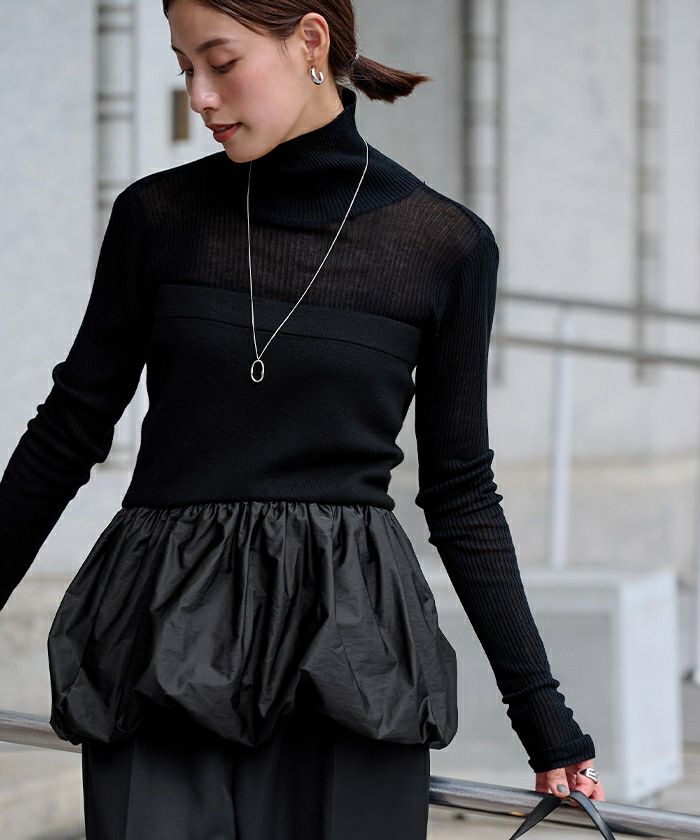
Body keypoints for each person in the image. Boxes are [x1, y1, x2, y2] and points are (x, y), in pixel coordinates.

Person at [0, 0, 606, 837]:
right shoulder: (157, 217)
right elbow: (68, 431)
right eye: (184, 67)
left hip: (351, 645)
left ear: (310, 41)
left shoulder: (445, 245)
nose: (199, 96)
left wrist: (544, 716)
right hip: (163, 632)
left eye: (221, 62)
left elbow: (461, 490)